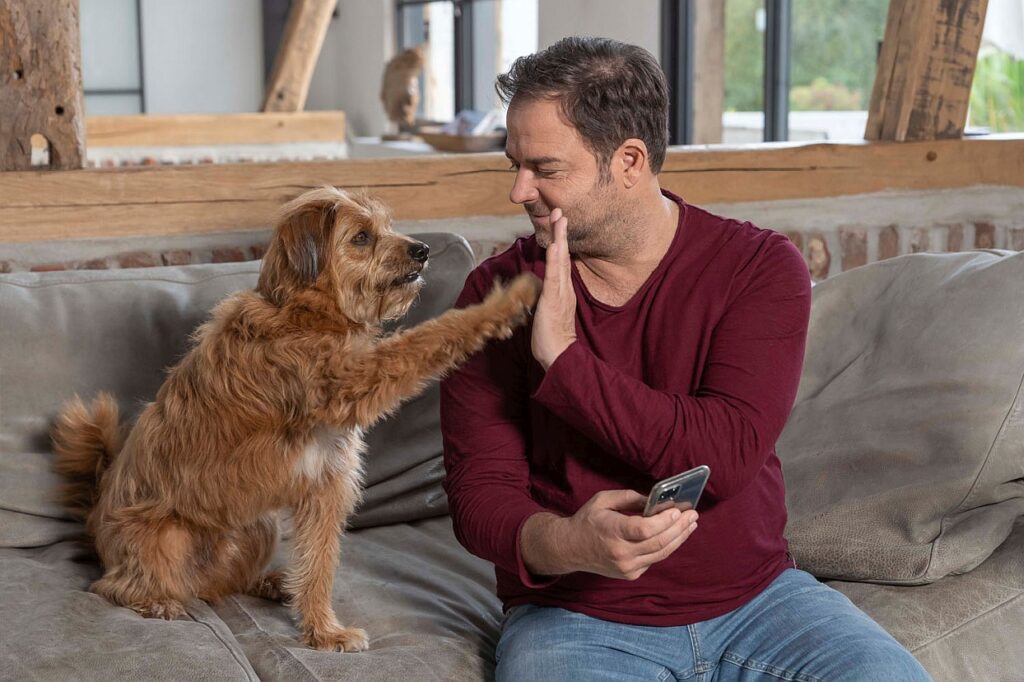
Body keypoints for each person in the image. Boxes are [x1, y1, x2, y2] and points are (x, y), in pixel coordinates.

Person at [440, 36, 931, 682]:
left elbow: (721, 455)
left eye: (545, 169)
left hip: (760, 605)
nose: (518, 191)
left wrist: (563, 360)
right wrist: (570, 543)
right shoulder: (494, 294)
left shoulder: (757, 270)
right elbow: (479, 497)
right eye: (514, 164)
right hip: (575, 618)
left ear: (630, 161)